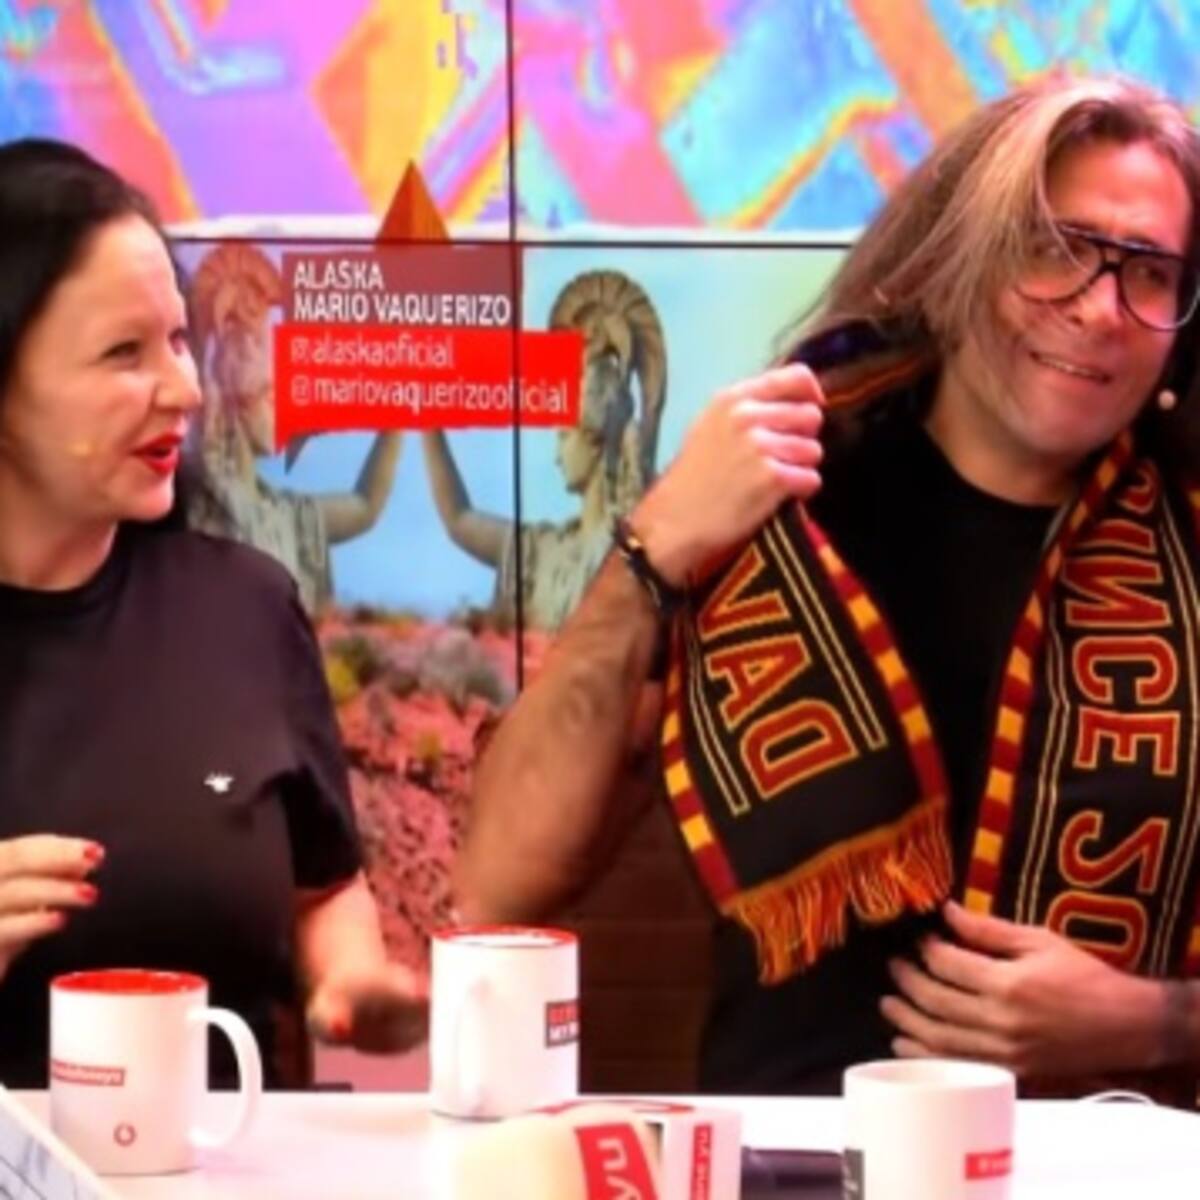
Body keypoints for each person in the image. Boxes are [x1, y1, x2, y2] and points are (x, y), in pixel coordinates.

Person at [456, 75, 1200, 1104]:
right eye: (1053, 247)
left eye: (1149, 272)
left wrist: (1155, 1021)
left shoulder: (1188, 546)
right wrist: (652, 549)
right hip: (795, 1146)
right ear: (962, 256)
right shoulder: (777, 506)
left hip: (1107, 1155)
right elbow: (498, 885)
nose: (1098, 308)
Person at [0, 138, 425, 1088]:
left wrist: (350, 977)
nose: (188, 390)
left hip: (228, 1152)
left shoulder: (245, 609)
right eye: (124, 354)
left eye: (179, 340)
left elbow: (324, 886)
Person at [423, 269, 667, 629]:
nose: (556, 456)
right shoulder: (542, 551)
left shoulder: (628, 549)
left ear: (595, 438)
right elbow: (458, 520)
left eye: (564, 437)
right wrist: (426, 414)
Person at [186, 241, 402, 614]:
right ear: (234, 399)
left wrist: (399, 409)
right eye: (272, 395)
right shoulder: (200, 504)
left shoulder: (286, 513)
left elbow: (365, 507)